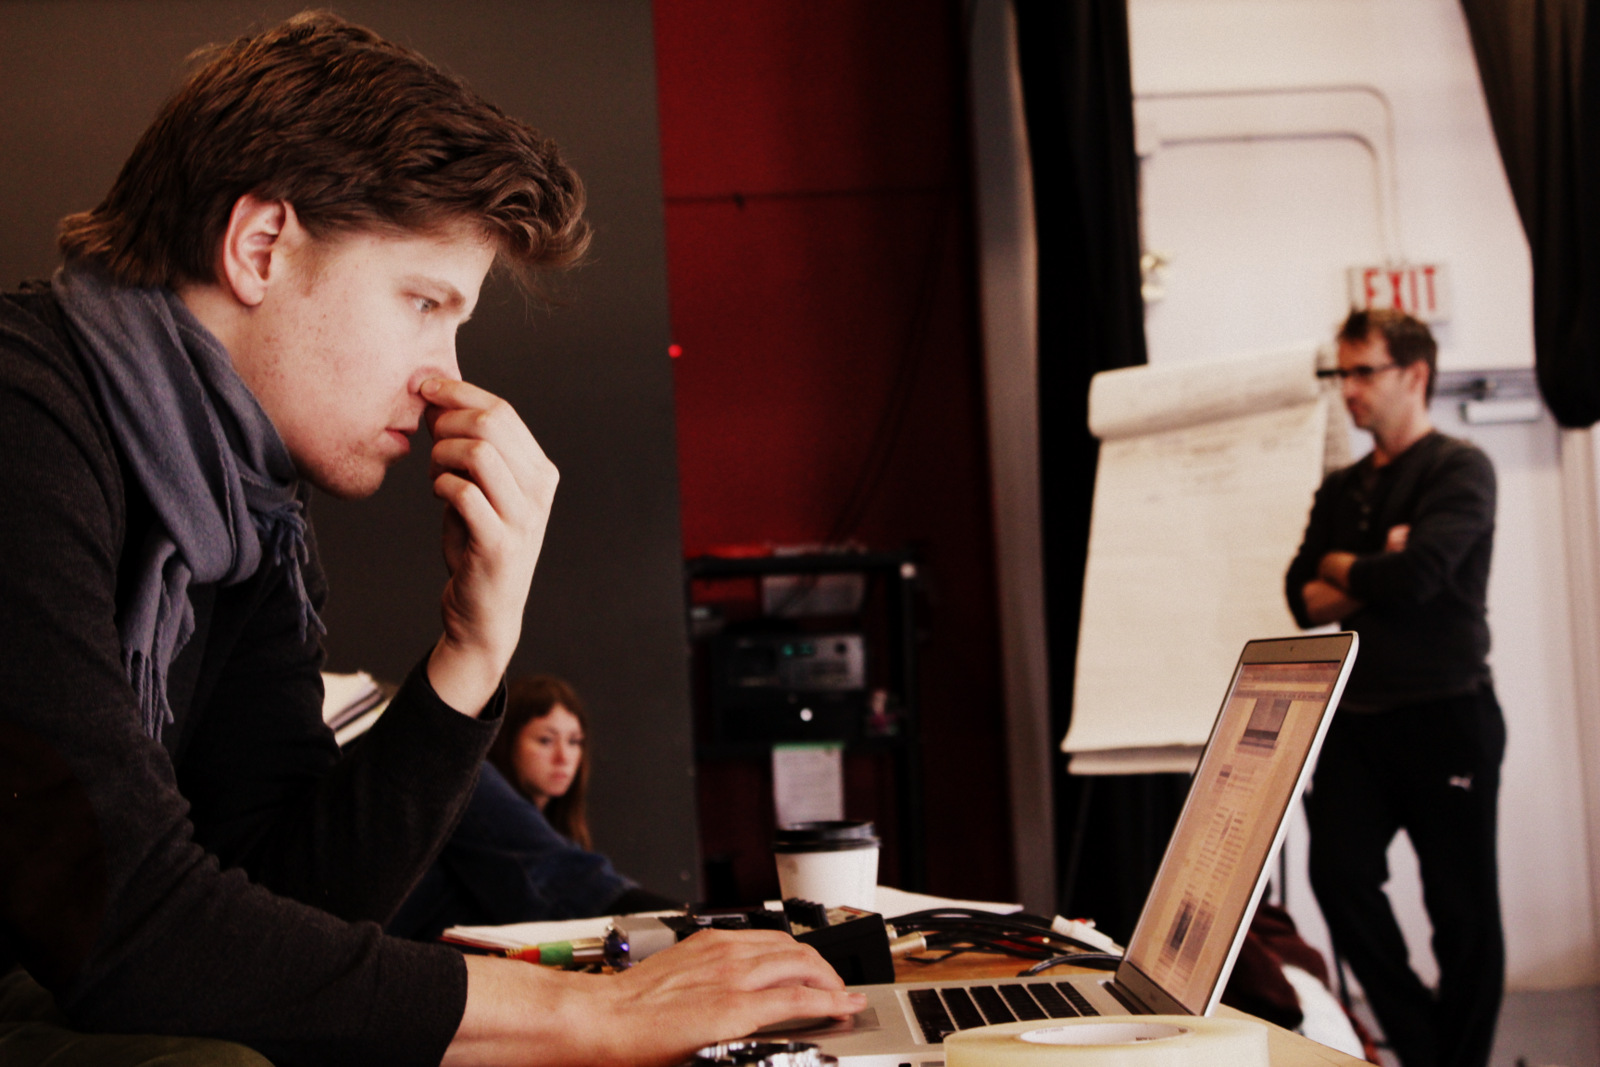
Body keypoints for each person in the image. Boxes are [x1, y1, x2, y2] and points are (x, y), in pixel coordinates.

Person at [0, 12, 862, 1067]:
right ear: (260, 246)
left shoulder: (240, 509)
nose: (444, 374)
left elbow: (289, 906)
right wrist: (594, 1013)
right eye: (424, 302)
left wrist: (471, 652)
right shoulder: (23, 420)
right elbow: (124, 920)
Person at [1285, 309, 1502, 1067]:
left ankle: (1459, 1059)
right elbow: (1297, 595)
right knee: (1337, 876)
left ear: (1414, 374)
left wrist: (1346, 567)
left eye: (1362, 371)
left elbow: (1416, 580)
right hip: (1359, 720)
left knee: (1462, 911)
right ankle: (1427, 1048)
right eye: (1340, 373)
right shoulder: (1344, 486)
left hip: (1448, 713)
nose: (1348, 390)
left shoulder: (1460, 469)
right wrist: (1372, 559)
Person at [388, 677, 677, 940]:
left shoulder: (559, 839)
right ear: (505, 741)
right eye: (545, 740)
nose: (564, 757)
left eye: (575, 742)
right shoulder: (469, 786)